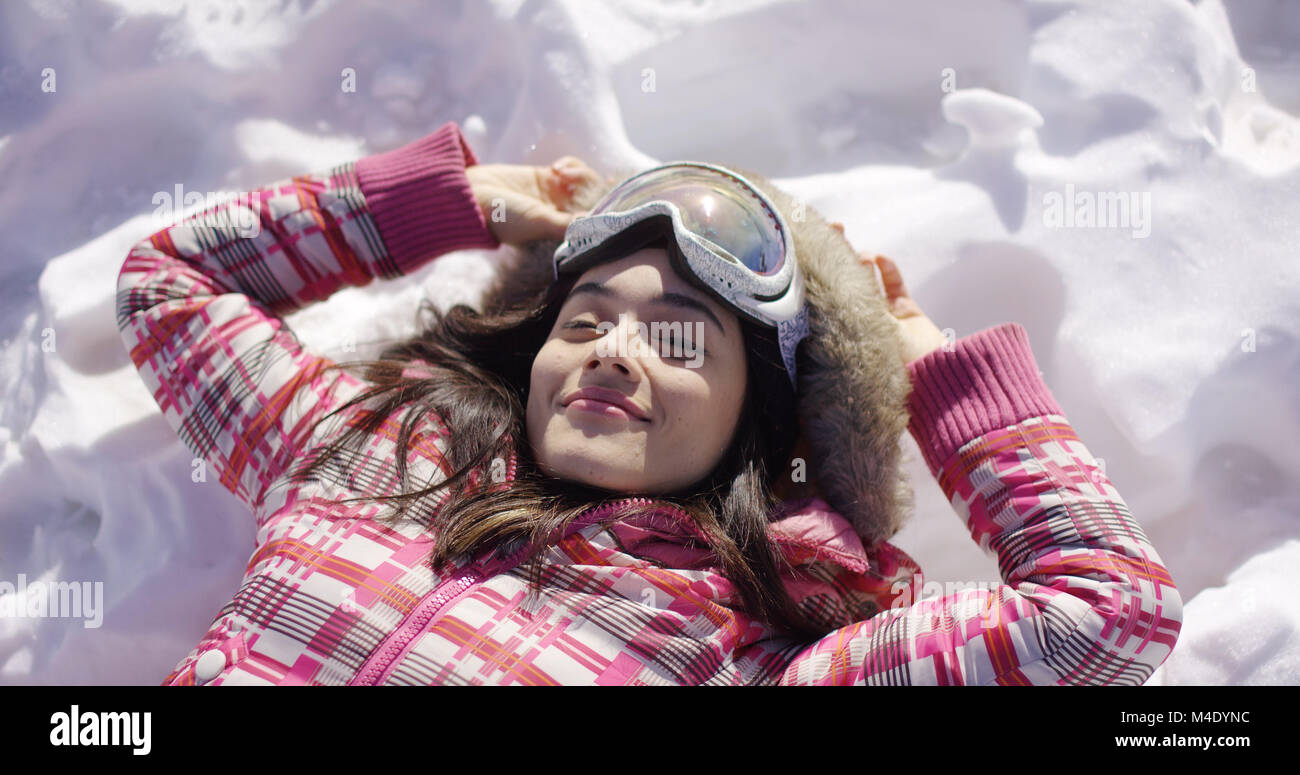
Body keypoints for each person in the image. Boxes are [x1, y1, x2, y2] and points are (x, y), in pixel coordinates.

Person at [116, 121, 1182, 685]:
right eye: (580, 322)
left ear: (758, 425)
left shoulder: (763, 655)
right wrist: (450, 204)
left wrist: (927, 367)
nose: (612, 353)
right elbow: (166, 283)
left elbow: (1107, 614)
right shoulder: (365, 458)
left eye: (676, 335)